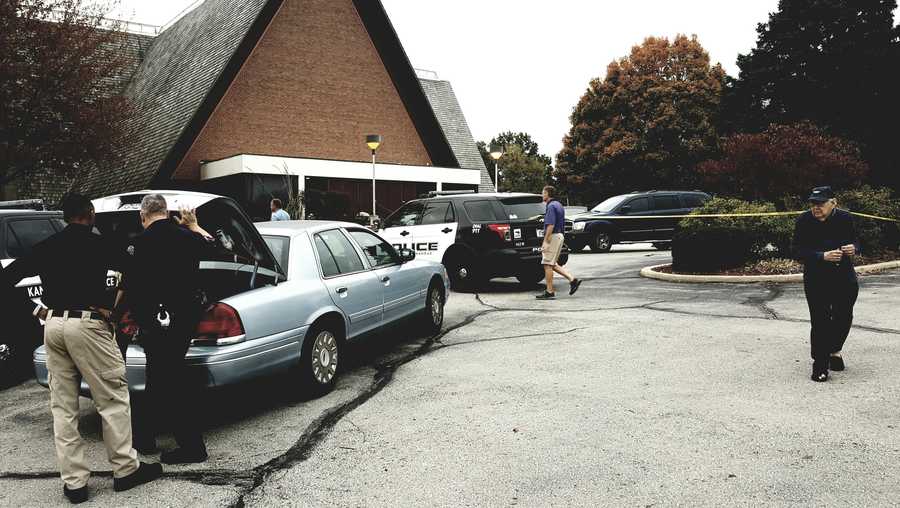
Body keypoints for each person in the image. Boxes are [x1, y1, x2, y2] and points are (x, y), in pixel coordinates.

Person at [0, 194, 161, 504]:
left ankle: (75, 484)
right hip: (88, 324)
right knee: (111, 398)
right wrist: (115, 309)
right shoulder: (100, 244)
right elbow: (136, 273)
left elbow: (5, 278)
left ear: (65, 216)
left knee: (63, 407)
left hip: (53, 325)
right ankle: (125, 470)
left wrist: (36, 310)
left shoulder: (46, 246)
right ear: (90, 213)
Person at [124, 194, 213, 464]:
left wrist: (132, 318)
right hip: (184, 317)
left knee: (169, 378)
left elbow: (131, 287)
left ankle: (192, 447)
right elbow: (213, 246)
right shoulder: (188, 237)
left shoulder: (138, 244)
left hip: (154, 320)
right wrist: (193, 225)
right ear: (166, 212)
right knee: (158, 375)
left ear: (142, 216)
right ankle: (144, 437)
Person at [793, 186, 860, 382]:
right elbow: (796, 251)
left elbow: (856, 240)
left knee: (844, 316)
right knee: (820, 320)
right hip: (816, 277)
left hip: (844, 276)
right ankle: (820, 365)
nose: (816, 207)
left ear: (833, 203)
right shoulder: (804, 220)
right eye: (813, 203)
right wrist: (821, 256)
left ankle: (834, 350)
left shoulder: (845, 218)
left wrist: (854, 248)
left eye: (821, 203)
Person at [536, 185, 581, 300]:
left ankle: (549, 291)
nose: (542, 195)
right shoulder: (559, 205)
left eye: (543, 192)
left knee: (547, 264)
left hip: (553, 236)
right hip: (559, 235)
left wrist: (546, 241)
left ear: (547, 194)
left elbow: (550, 225)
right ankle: (572, 280)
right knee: (552, 263)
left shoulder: (551, 206)